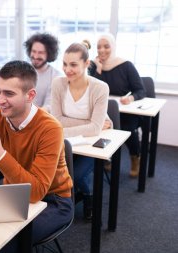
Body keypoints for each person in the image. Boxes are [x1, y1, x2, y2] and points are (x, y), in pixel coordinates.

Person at [0, 60, 73, 252]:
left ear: (30, 95)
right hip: (11, 194)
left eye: (9, 93)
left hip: (53, 201)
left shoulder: (50, 128)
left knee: (3, 241)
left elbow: (36, 192)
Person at [51, 41, 111, 220]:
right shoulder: (58, 84)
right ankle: (85, 194)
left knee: (73, 175)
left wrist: (63, 127)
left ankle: (88, 196)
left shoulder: (100, 88)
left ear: (86, 64)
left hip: (93, 143)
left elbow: (94, 129)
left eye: (73, 64)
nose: (67, 69)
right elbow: (56, 120)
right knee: (56, 173)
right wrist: (88, 122)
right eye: (64, 64)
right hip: (70, 141)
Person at [89, 33, 146, 177]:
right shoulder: (94, 66)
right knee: (97, 128)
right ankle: (106, 158)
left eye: (106, 46)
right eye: (99, 47)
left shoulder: (125, 65)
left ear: (113, 47)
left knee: (128, 129)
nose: (102, 50)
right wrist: (99, 69)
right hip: (102, 110)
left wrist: (132, 98)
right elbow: (91, 89)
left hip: (125, 111)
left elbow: (140, 90)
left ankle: (135, 157)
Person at [24, 32, 62, 112]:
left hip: (39, 119)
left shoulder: (56, 77)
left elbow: (49, 106)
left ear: (49, 54)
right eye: (33, 51)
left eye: (40, 53)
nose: (36, 56)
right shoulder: (22, 70)